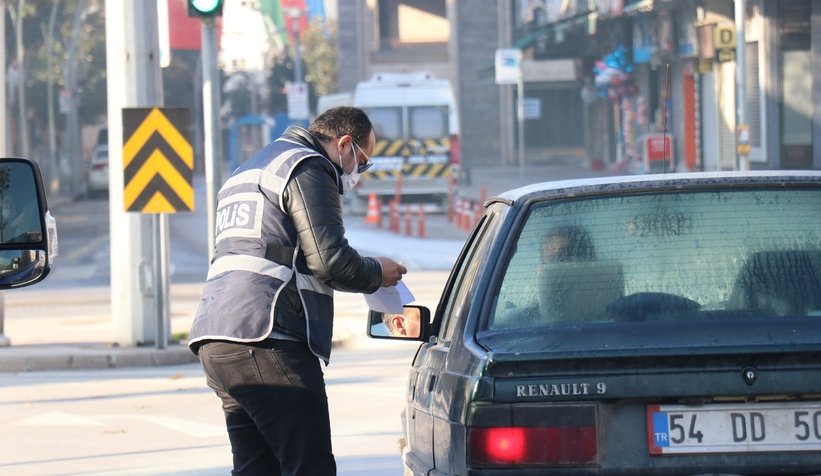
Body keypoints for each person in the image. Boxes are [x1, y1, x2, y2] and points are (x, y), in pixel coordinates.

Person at [188, 106, 407, 475]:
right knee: (310, 465)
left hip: (219, 337)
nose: (359, 175)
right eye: (363, 163)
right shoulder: (308, 166)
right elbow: (329, 260)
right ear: (345, 145)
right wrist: (376, 273)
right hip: (268, 337)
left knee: (257, 468)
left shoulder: (250, 169)